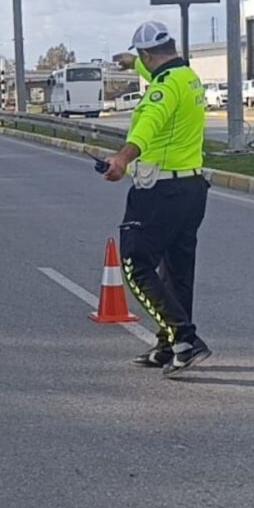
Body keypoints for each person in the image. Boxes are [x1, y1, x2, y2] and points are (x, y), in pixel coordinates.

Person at [103, 22, 211, 378]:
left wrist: (122, 159)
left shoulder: (162, 90)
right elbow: (157, 69)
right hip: (191, 188)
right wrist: (131, 62)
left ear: (148, 54)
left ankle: (184, 338)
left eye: (141, 58)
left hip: (159, 191)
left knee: (135, 264)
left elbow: (148, 125)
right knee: (177, 272)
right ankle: (169, 346)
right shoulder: (187, 78)